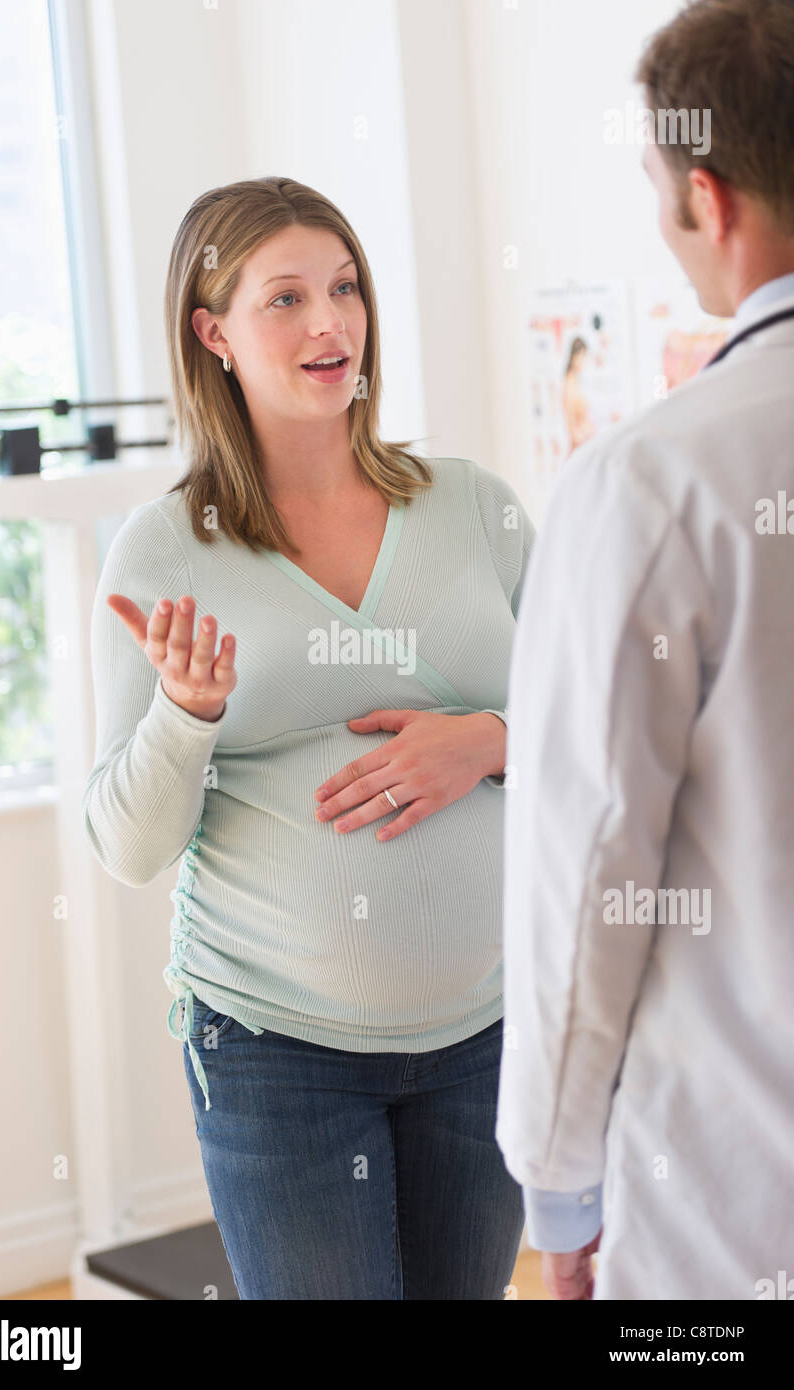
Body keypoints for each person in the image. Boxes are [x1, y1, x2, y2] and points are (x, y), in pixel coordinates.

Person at [83, 176, 534, 1299]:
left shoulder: (477, 507)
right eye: (284, 298)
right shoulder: (162, 552)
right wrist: (187, 716)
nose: (329, 323)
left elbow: (600, 739)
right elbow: (129, 849)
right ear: (213, 333)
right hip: (276, 1052)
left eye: (343, 288)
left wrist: (485, 739)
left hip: (487, 1031)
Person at [496, 0, 794, 1301]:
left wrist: (558, 1187)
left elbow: (591, 857)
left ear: (709, 201)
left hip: (730, 1204)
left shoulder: (651, 481)